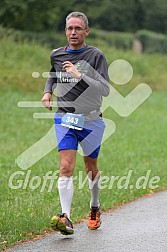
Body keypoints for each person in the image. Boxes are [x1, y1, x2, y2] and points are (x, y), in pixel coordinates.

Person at [41, 11, 110, 235]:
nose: (73, 32)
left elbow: (105, 89)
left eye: (78, 28)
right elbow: (53, 73)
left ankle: (94, 207)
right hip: (65, 117)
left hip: (91, 119)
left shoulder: (96, 55)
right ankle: (66, 217)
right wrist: (47, 91)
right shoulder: (57, 55)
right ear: (65, 31)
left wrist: (80, 75)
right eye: (70, 28)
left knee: (91, 168)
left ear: (86, 31)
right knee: (65, 167)